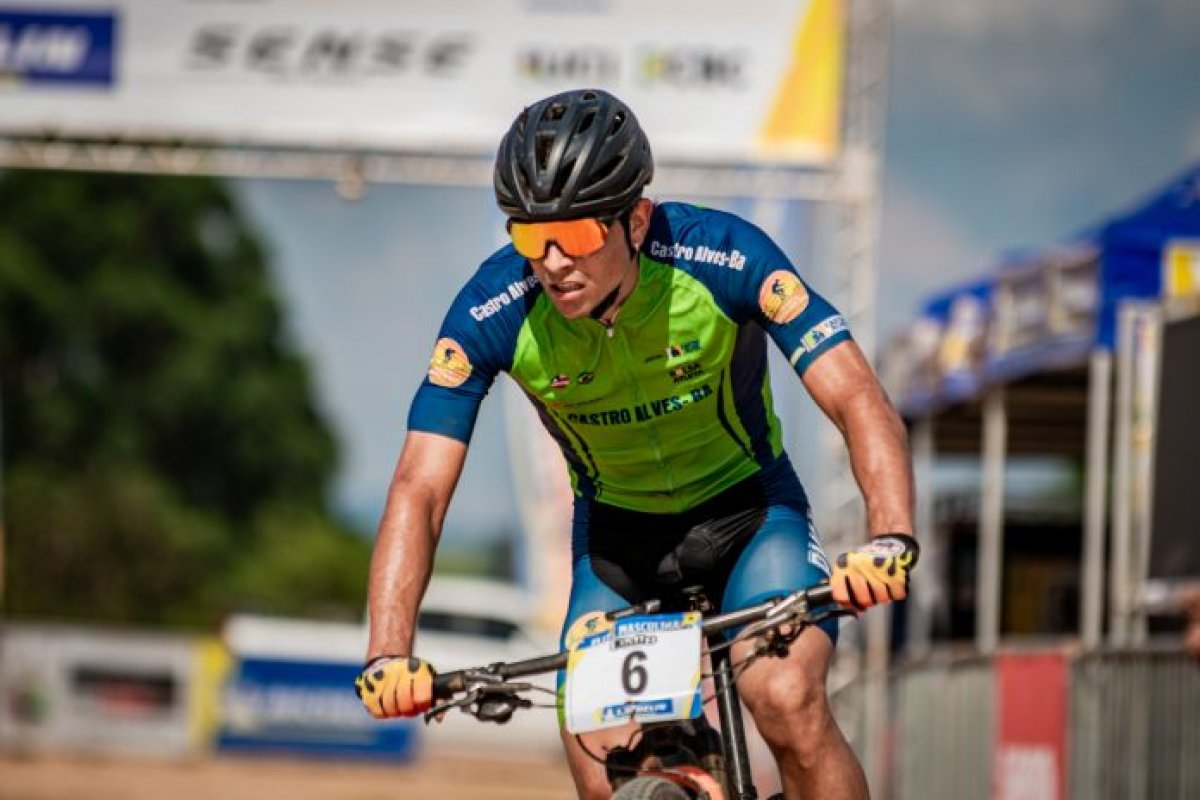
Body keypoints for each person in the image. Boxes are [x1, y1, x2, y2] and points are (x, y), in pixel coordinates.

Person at [354, 88, 918, 800]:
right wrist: (387, 651)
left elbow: (857, 396)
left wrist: (889, 535)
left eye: (576, 234)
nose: (552, 262)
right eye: (528, 237)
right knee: (598, 764)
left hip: (751, 518)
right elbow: (420, 487)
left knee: (784, 698)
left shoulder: (722, 255)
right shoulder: (492, 309)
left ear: (637, 219)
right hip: (618, 547)